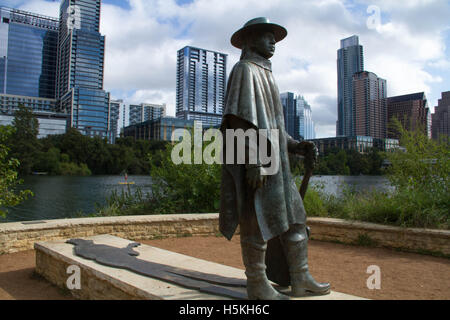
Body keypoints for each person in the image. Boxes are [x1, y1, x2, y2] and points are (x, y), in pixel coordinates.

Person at [219, 17, 330, 300]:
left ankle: (300, 277)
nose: (272, 42)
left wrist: (296, 145)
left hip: (279, 167)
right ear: (250, 39)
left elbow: (274, 127)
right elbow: (237, 121)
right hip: (259, 165)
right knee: (256, 222)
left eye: (274, 37)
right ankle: (257, 283)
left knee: (296, 220)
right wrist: (253, 160)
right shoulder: (244, 70)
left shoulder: (267, 74)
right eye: (266, 36)